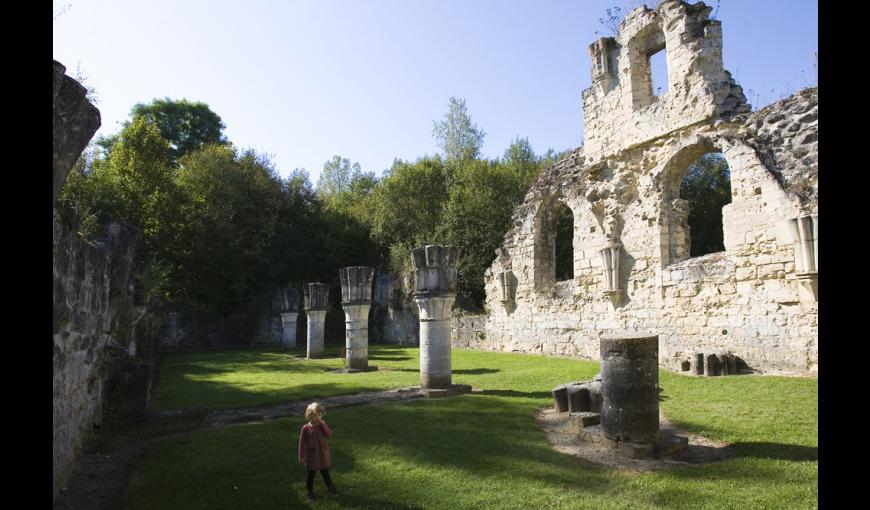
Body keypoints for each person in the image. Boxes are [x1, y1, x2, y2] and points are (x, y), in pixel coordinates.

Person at [298, 402, 337, 501]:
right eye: (315, 416)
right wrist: (301, 456)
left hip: (322, 453)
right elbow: (302, 443)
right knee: (311, 473)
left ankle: (330, 487)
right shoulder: (306, 428)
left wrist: (323, 425)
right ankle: (310, 492)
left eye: (319, 415)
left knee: (325, 471)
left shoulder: (321, 425)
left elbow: (328, 434)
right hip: (312, 454)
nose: (317, 418)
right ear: (309, 416)